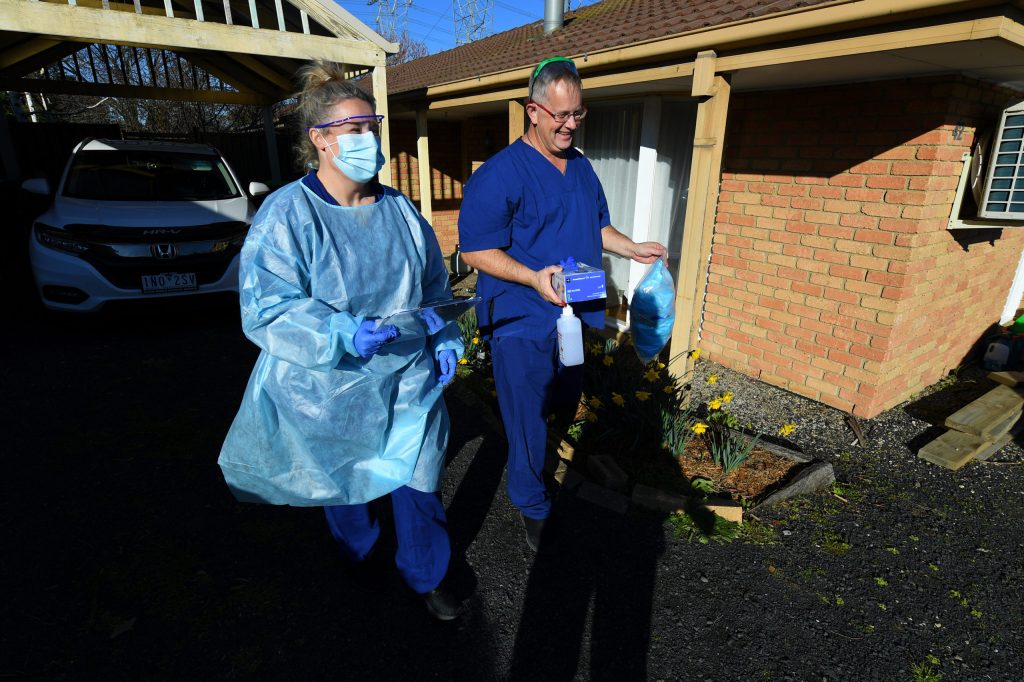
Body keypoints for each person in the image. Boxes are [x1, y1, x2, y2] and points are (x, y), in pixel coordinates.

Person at [218, 62, 465, 621]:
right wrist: (341, 331)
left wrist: (444, 330)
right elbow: (266, 306)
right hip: (330, 386)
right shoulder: (289, 214)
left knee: (418, 480)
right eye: (355, 128)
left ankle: (427, 575)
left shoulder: (400, 210)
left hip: (407, 379)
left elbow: (431, 285)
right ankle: (361, 560)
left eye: (372, 125)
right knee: (346, 483)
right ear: (321, 140)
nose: (369, 139)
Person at [457, 56, 667, 552]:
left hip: (577, 310)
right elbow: (475, 249)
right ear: (533, 111)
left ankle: (543, 463)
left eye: (578, 113)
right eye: (560, 115)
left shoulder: (582, 167)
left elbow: (598, 227)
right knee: (527, 414)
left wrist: (632, 247)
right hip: (521, 316)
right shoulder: (499, 175)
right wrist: (531, 277)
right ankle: (531, 503)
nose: (571, 124)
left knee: (562, 402)